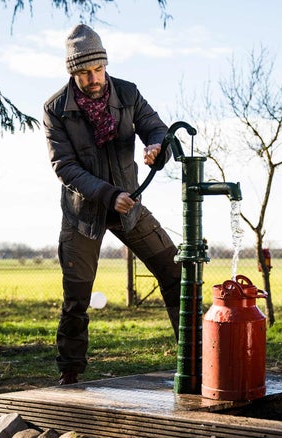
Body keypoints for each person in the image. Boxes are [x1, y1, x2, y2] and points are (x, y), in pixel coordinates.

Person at [43, 24, 181, 385]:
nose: (94, 78)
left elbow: (156, 128)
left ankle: (193, 357)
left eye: (98, 69)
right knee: (77, 296)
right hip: (83, 212)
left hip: (129, 208)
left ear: (105, 64)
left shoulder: (128, 93)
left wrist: (157, 148)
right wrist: (108, 194)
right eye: (85, 72)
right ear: (73, 72)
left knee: (174, 271)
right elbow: (65, 166)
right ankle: (70, 373)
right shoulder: (55, 109)